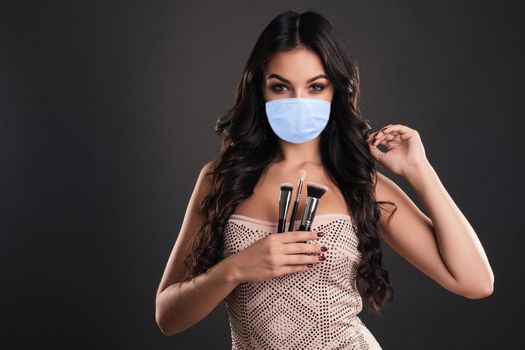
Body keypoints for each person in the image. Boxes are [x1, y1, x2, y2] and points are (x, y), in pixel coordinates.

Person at [155, 9, 494, 349]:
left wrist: (420, 170)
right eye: (280, 86)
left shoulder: (360, 185)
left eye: (315, 86)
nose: (298, 101)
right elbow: (168, 317)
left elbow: (475, 281)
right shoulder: (220, 181)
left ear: (336, 90)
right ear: (259, 89)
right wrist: (235, 269)